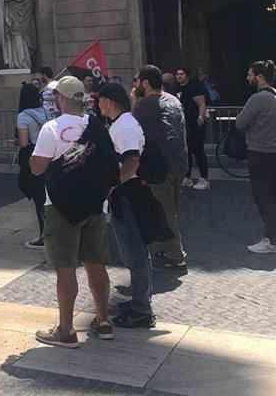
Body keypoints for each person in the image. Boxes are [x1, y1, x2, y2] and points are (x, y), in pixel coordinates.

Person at [29, 76, 114, 348]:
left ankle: (66, 330)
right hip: (95, 205)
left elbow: (37, 168)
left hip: (60, 207)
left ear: (60, 99)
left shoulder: (51, 128)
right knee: (96, 264)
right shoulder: (97, 126)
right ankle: (103, 320)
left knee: (66, 270)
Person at [98, 82, 155, 328]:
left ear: (109, 101)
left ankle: (142, 310)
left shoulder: (125, 126)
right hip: (126, 193)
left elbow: (131, 160)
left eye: (99, 100)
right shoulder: (121, 124)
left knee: (135, 252)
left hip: (128, 194)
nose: (96, 104)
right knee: (132, 251)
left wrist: (112, 184)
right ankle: (138, 301)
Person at [132, 65, 189, 272]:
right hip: (178, 164)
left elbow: (135, 132)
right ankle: (168, 250)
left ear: (145, 83)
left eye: (138, 81)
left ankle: (176, 257)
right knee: (170, 210)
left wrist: (134, 103)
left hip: (159, 167)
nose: (136, 84)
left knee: (166, 213)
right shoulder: (174, 100)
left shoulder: (144, 105)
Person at [237, 60, 276, 254]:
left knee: (263, 197)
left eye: (250, 74)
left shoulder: (258, 98)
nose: (247, 77)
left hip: (260, 153)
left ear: (259, 77)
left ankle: (272, 240)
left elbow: (240, 122)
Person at [17, 82, 50, 249]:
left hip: (33, 156)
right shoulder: (45, 110)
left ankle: (44, 235)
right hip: (48, 154)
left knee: (38, 198)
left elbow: (24, 142)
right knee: (48, 195)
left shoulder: (23, 115)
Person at [175, 68, 210, 191]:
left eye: (181, 74)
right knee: (186, 151)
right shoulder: (177, 88)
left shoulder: (195, 87)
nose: (179, 76)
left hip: (195, 123)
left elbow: (201, 103)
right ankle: (187, 176)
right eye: (177, 74)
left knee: (198, 150)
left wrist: (201, 116)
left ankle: (204, 178)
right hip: (183, 124)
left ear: (187, 76)